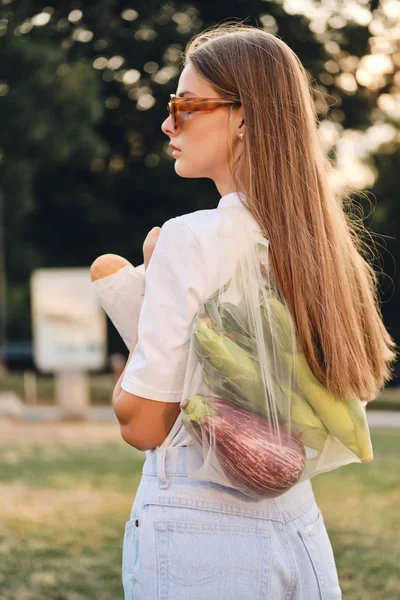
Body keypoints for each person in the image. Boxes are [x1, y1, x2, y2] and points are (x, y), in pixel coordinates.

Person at [112, 23, 397, 600]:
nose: (168, 123)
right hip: (300, 532)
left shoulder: (189, 239)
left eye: (185, 105)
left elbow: (142, 423)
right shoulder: (325, 247)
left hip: (202, 534)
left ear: (243, 118)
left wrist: (141, 315)